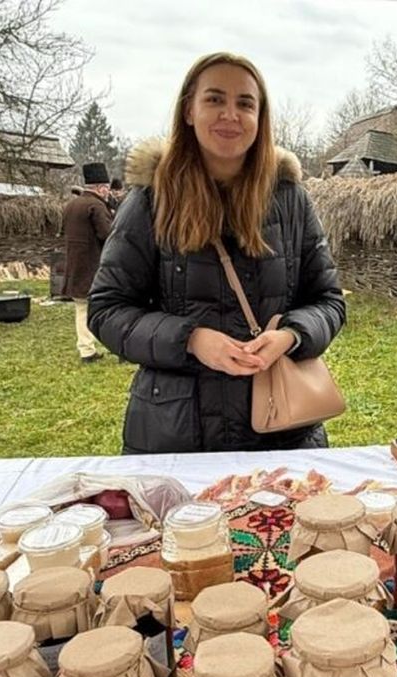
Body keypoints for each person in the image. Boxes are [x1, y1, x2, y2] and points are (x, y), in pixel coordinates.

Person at [88, 52, 345, 454]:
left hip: (282, 433)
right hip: (176, 435)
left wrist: (291, 336)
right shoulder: (150, 200)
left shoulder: (290, 200)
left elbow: (328, 301)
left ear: (261, 118)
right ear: (189, 110)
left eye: (245, 103)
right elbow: (106, 310)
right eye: (214, 99)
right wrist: (190, 339)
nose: (231, 114)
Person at [61, 162, 113, 363]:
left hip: (75, 266)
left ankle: (86, 350)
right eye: (106, 188)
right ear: (102, 188)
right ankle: (116, 347)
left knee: (82, 309)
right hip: (94, 268)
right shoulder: (96, 206)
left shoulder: (71, 205)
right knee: (107, 308)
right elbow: (107, 235)